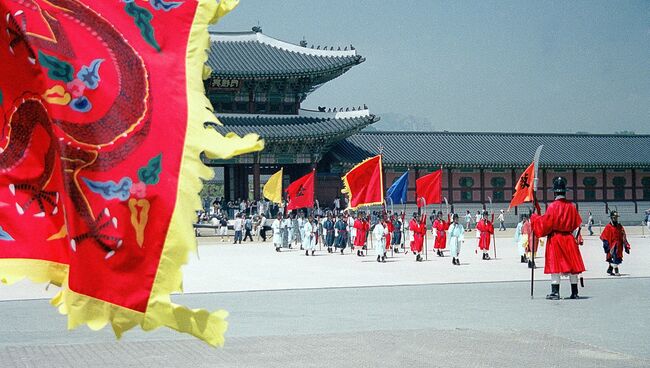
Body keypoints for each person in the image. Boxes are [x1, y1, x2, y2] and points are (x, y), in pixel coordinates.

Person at [531, 176, 585, 300]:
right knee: (573, 266)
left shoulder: (552, 207)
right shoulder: (572, 206)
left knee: (554, 264)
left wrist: (534, 218)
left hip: (556, 238)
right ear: (565, 192)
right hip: (569, 238)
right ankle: (574, 292)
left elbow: (545, 224)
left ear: (554, 192)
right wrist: (575, 238)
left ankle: (555, 292)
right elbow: (577, 226)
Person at [600, 211, 631, 276]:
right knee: (614, 258)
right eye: (614, 217)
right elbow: (603, 236)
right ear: (611, 218)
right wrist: (606, 244)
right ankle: (616, 271)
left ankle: (610, 269)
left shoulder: (619, 226)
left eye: (616, 217)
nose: (615, 219)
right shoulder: (608, 227)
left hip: (619, 246)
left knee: (618, 259)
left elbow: (623, 236)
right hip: (611, 246)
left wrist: (626, 246)